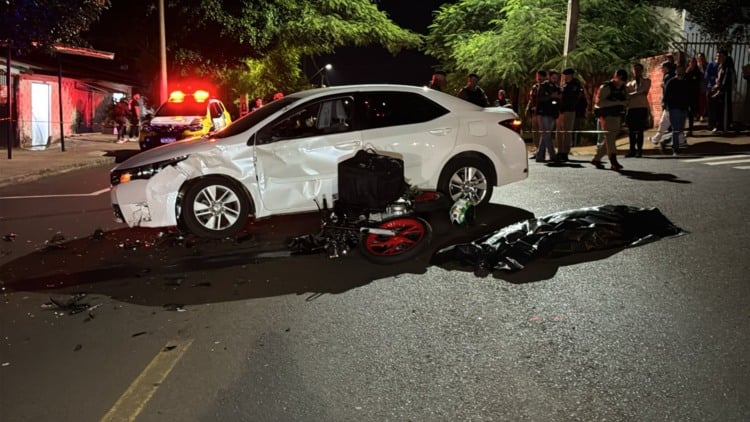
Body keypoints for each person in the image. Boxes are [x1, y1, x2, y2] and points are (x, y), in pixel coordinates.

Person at [591, 69, 629, 170]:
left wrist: (624, 102)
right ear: (616, 77)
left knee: (610, 138)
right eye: (620, 79)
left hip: (617, 115)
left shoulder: (622, 88)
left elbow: (626, 99)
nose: (621, 82)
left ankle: (596, 159)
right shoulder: (606, 87)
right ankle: (613, 161)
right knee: (610, 137)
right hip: (606, 115)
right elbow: (599, 103)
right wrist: (617, 103)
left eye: (623, 80)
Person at [556, 67, 585, 161]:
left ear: (570, 75)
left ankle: (565, 152)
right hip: (561, 111)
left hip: (569, 110)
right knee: (559, 132)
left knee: (567, 132)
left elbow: (574, 98)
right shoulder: (565, 85)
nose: (564, 77)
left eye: (566, 75)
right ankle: (560, 151)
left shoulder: (575, 85)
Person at [661, 65, 690, 156]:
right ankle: (675, 148)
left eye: (682, 70)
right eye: (679, 70)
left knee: (680, 129)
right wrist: (665, 104)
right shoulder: (671, 82)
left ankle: (665, 141)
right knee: (676, 129)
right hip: (674, 107)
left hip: (683, 107)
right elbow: (666, 94)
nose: (680, 71)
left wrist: (689, 105)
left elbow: (689, 95)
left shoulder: (686, 82)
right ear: (676, 71)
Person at [534, 69, 562, 163]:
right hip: (544, 112)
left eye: (556, 78)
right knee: (546, 134)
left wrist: (558, 97)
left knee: (546, 134)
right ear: (549, 77)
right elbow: (539, 99)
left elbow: (558, 99)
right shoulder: (543, 86)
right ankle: (552, 154)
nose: (555, 79)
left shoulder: (557, 87)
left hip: (552, 113)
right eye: (553, 77)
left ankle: (540, 156)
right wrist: (551, 96)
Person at [624, 63, 651, 157]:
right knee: (631, 131)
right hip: (631, 108)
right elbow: (626, 95)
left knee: (640, 130)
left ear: (641, 71)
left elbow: (643, 90)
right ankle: (632, 150)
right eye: (635, 70)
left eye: (638, 70)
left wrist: (632, 94)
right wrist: (634, 94)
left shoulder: (646, 81)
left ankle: (639, 150)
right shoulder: (629, 84)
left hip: (641, 108)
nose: (636, 71)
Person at [649, 61, 677, 145]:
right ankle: (656, 138)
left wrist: (664, 101)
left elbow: (667, 91)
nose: (661, 69)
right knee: (667, 122)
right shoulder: (673, 75)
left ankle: (657, 139)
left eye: (662, 67)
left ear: (666, 68)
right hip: (674, 103)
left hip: (669, 104)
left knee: (665, 122)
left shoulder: (667, 76)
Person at [711, 49, 735, 133]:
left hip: (724, 92)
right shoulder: (720, 66)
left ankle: (725, 127)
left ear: (724, 57)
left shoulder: (727, 67)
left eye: (719, 56)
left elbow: (725, 81)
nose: (717, 57)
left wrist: (719, 90)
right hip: (719, 90)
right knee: (718, 109)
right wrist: (715, 86)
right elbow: (719, 79)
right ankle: (718, 125)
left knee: (724, 109)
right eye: (717, 56)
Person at [525, 70, 547, 158]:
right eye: (537, 76)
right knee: (535, 132)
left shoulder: (546, 87)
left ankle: (542, 151)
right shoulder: (535, 87)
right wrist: (528, 107)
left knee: (542, 133)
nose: (538, 78)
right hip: (534, 113)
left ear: (544, 77)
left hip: (542, 113)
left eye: (539, 76)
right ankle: (537, 149)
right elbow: (531, 99)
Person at [684, 57, 703, 137]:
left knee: (691, 112)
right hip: (686, 94)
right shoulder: (687, 71)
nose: (692, 63)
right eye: (691, 62)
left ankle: (690, 129)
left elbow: (698, 81)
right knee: (685, 112)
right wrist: (686, 72)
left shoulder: (697, 72)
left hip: (694, 95)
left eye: (694, 62)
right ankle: (685, 129)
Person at [696, 52, 709, 121]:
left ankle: (703, 115)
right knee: (699, 101)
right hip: (698, 86)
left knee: (705, 101)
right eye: (699, 58)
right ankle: (699, 114)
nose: (700, 59)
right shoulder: (697, 66)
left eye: (701, 58)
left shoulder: (707, 65)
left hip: (705, 86)